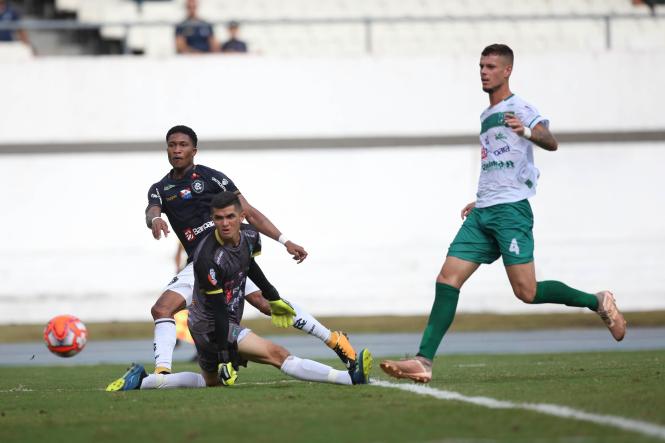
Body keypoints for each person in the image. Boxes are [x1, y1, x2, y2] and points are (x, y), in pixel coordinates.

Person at [380, 44, 626, 384]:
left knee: (526, 292)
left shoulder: (519, 107)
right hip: (484, 211)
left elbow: (550, 141)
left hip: (512, 211)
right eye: (481, 65)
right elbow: (497, 162)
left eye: (491, 66)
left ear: (507, 70)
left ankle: (596, 300)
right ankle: (424, 361)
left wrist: (525, 130)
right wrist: (479, 200)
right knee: (447, 279)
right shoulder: (485, 116)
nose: (483, 71)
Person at [147, 125, 358, 376]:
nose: (177, 150)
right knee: (163, 310)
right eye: (172, 145)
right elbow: (151, 211)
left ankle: (334, 340)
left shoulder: (212, 178)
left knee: (267, 303)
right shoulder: (160, 188)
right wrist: (156, 220)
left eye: (183, 145)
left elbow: (249, 212)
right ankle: (162, 373)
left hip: (228, 255)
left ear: (194, 150)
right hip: (201, 263)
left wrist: (285, 241)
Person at [106, 192, 372, 391]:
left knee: (211, 384)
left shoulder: (250, 236)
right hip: (211, 326)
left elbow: (250, 266)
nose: (224, 223)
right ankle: (349, 378)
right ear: (212, 220)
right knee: (276, 354)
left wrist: (274, 297)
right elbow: (219, 310)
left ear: (242, 217)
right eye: (219, 218)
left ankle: (144, 381)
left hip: (221, 322)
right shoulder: (207, 258)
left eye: (230, 216)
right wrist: (224, 355)